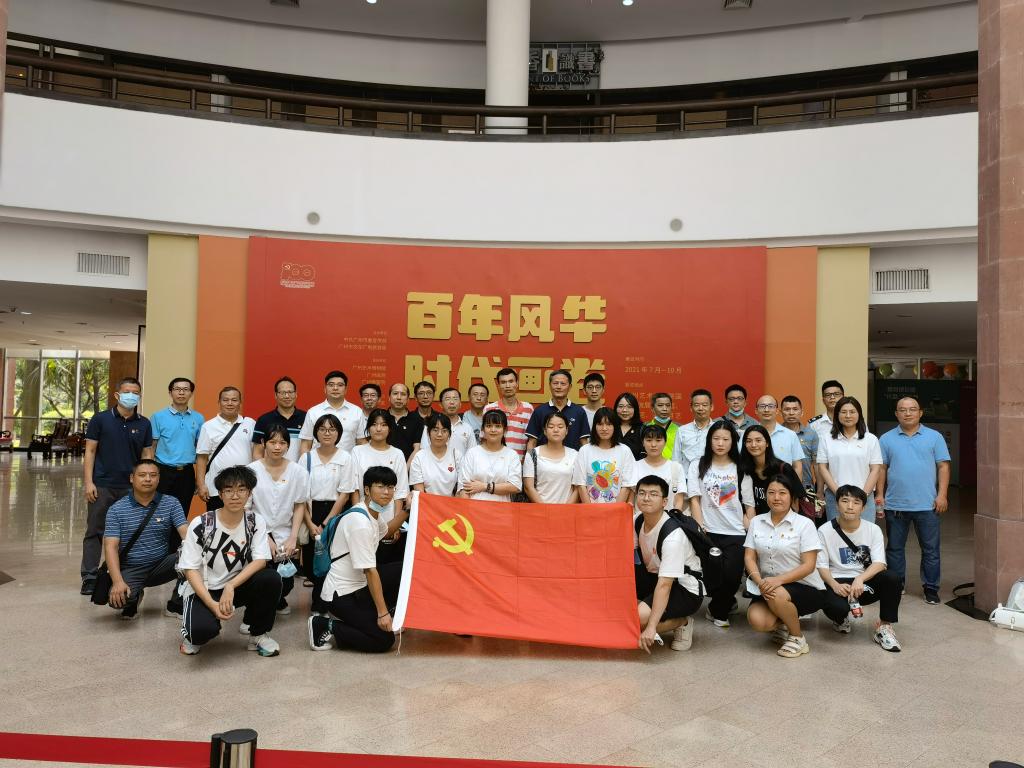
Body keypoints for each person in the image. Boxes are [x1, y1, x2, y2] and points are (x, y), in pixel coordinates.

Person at [178, 465, 282, 657]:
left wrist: (231, 586)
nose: (235, 496)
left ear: (249, 493)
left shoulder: (255, 521)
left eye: (241, 490)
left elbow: (260, 560)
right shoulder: (202, 524)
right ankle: (193, 633)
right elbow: (189, 569)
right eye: (228, 490)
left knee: (271, 579)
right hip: (205, 588)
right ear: (220, 494)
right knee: (200, 632)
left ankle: (258, 634)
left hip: (236, 586)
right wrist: (212, 604)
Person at [308, 466, 404, 653]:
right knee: (384, 640)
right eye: (381, 486)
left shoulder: (370, 512)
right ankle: (324, 625)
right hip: (342, 594)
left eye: (391, 487)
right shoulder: (360, 523)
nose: (387, 492)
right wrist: (382, 613)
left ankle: (362, 623)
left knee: (404, 570)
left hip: (359, 587)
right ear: (367, 489)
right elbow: (370, 571)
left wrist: (407, 510)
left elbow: (386, 532)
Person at [81, 376, 154, 595]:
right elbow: (90, 451)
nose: (131, 396)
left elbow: (147, 455)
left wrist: (147, 483)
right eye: (127, 392)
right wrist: (88, 482)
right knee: (95, 530)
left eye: (135, 393)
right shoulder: (100, 419)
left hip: (131, 488)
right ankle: (90, 576)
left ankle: (123, 574)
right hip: (102, 485)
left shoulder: (144, 423)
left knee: (130, 531)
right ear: (117, 395)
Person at [876, 396, 951, 605]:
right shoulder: (886, 439)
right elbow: (881, 468)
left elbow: (943, 466)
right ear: (896, 414)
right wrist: (879, 494)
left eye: (912, 409)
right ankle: (896, 584)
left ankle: (931, 588)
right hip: (895, 504)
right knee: (895, 549)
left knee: (931, 550)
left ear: (920, 413)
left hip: (928, 505)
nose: (907, 413)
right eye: (902, 409)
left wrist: (942, 495)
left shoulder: (934, 437)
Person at [744, 473, 826, 658]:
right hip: (768, 586)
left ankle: (797, 638)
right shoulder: (756, 522)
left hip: (806, 587)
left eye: (782, 493)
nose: (776, 497)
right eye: (771, 492)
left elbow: (809, 565)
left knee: (777, 593)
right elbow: (749, 557)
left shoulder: (804, 524)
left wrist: (777, 581)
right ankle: (785, 624)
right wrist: (760, 582)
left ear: (791, 496)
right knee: (758, 620)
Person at [818, 485, 903, 651]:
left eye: (856, 502)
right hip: (837, 581)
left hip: (863, 582)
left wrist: (860, 578)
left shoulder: (873, 529)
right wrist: (834, 585)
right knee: (837, 608)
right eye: (845, 501)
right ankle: (840, 619)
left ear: (863, 508)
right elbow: (821, 566)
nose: (850, 506)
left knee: (892, 578)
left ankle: (884, 627)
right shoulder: (824, 530)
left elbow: (880, 563)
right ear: (836, 504)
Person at [687, 420, 754, 628]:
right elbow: (695, 499)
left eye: (726, 439)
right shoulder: (698, 464)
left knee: (732, 577)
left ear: (733, 442)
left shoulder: (741, 468)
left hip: (735, 531)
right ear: (709, 440)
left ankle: (719, 609)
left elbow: (749, 505)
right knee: (713, 577)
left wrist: (750, 530)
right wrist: (700, 527)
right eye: (716, 438)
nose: (720, 443)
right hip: (708, 530)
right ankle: (722, 607)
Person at [101, 459, 188, 619]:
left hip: (162, 565)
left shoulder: (171, 503)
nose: (148, 479)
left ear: (158, 479)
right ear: (132, 478)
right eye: (142, 475)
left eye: (153, 475)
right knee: (119, 600)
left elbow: (186, 535)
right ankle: (134, 597)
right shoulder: (116, 509)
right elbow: (110, 547)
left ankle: (176, 604)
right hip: (131, 568)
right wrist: (118, 582)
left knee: (193, 557)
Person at [635, 475, 703, 653]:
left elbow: (665, 584)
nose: (646, 498)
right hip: (655, 576)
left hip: (685, 588)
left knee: (638, 619)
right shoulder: (638, 520)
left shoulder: (673, 536)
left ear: (664, 502)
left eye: (653, 494)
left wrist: (651, 627)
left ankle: (682, 622)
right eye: (642, 493)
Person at [247, 424, 309, 617]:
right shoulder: (251, 471)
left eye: (282, 443)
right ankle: (254, 614)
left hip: (285, 532)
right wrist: (264, 537)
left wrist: (293, 537)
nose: (277, 447)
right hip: (257, 531)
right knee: (260, 576)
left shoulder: (298, 471)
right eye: (272, 442)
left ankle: (277, 600)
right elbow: (246, 509)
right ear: (263, 443)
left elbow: (299, 505)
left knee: (287, 579)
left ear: (288, 446)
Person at [298, 413, 356, 615]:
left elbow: (345, 494)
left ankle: (321, 605)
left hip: (335, 513)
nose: (327, 433)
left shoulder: (345, 458)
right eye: (322, 429)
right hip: (310, 511)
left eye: (332, 429)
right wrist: (310, 523)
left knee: (331, 560)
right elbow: (300, 495)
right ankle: (321, 599)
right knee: (311, 562)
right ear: (316, 433)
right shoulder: (306, 458)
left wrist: (325, 523)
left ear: (339, 433)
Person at [350, 409, 410, 562]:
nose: (378, 429)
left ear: (389, 428)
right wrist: (357, 516)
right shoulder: (357, 451)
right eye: (374, 424)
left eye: (383, 425)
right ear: (368, 427)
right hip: (365, 516)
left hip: (389, 517)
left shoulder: (397, 454)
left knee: (386, 563)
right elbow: (355, 488)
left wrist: (396, 524)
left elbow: (400, 492)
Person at [816, 396, 882, 522]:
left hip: (865, 497)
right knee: (836, 532)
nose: (848, 416)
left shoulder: (870, 439)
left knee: (865, 533)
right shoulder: (826, 439)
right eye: (843, 412)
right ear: (837, 415)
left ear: (859, 414)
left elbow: (875, 469)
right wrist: (839, 494)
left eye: (852, 412)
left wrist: (863, 496)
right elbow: (822, 468)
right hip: (835, 497)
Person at [150, 376, 204, 528]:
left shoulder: (198, 418)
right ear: (170, 393)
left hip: (186, 473)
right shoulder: (158, 417)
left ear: (191, 393)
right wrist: (151, 473)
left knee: (181, 514)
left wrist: (199, 479)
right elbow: (152, 447)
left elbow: (200, 449)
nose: (181, 393)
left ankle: (177, 544)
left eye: (185, 389)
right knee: (159, 514)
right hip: (163, 472)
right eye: (177, 389)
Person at [195, 386, 256, 512]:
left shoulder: (250, 423)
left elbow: (256, 453)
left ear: (240, 402)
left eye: (234, 400)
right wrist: (201, 485)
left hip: (244, 486)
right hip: (216, 488)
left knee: (244, 522)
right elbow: (201, 458)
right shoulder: (208, 426)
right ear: (219, 402)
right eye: (225, 400)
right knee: (216, 521)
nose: (230, 403)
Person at [573, 407, 637, 504]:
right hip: (589, 509)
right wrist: (590, 510)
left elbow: (627, 486)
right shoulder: (584, 451)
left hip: (617, 509)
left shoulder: (625, 451)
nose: (604, 428)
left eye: (609, 424)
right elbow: (581, 485)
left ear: (615, 426)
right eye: (600, 424)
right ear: (594, 426)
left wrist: (614, 510)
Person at [739, 424, 804, 516]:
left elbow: (795, 504)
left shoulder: (783, 468)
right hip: (755, 521)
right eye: (749, 441)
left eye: (758, 440)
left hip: (781, 521)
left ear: (767, 443)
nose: (753, 445)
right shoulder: (744, 470)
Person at [458, 409, 522, 502]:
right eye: (489, 426)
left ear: (505, 430)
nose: (493, 430)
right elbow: (464, 489)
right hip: (474, 508)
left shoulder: (512, 455)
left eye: (498, 426)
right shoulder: (472, 453)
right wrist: (468, 509)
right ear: (482, 429)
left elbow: (515, 486)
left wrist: (485, 486)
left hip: (502, 509)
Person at [298, 370, 363, 455]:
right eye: (331, 385)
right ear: (325, 389)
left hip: (348, 462)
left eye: (340, 385)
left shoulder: (357, 412)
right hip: (318, 462)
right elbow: (306, 444)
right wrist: (305, 462)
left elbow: (362, 443)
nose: (335, 388)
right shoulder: (313, 412)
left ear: (346, 389)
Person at [524, 369, 590, 451]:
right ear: (550, 385)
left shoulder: (579, 411)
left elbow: (584, 442)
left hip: (573, 458)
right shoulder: (539, 411)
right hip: (544, 458)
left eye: (563, 384)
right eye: (555, 383)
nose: (559, 387)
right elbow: (532, 442)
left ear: (570, 387)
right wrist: (530, 458)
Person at [523, 411, 579, 504]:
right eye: (551, 427)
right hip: (540, 509)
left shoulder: (575, 455)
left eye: (560, 427)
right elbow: (528, 487)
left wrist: (566, 509)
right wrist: (546, 509)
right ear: (545, 431)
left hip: (567, 510)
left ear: (566, 430)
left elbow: (577, 489)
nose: (556, 430)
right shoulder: (532, 454)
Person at [253, 376, 306, 462]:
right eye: (282, 392)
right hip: (271, 469)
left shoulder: (306, 418)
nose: (287, 396)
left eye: (290, 392)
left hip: (299, 469)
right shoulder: (264, 420)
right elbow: (257, 453)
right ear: (275, 395)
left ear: (296, 394)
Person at [633, 424, 686, 512]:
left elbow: (679, 500)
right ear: (643, 443)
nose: (653, 445)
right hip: (640, 518)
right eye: (649, 440)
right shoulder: (634, 466)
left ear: (665, 442)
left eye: (658, 440)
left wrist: (675, 517)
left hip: (669, 518)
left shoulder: (676, 467)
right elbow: (631, 498)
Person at [484, 367, 534, 458]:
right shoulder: (489, 409)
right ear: (498, 385)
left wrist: (528, 463)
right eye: (503, 382)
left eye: (511, 381)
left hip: (520, 463)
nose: (507, 386)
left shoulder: (528, 409)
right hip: (495, 462)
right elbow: (484, 439)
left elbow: (531, 441)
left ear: (517, 383)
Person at [410, 412, 463, 496]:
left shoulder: (457, 455)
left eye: (444, 431)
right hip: (426, 502)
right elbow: (420, 493)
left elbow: (461, 488)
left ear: (449, 434)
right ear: (428, 433)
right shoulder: (419, 457)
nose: (439, 434)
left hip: (451, 502)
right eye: (435, 430)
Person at [753, 394, 804, 481]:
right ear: (756, 411)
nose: (766, 410)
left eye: (771, 406)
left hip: (784, 486)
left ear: (777, 411)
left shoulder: (790, 435)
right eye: (762, 406)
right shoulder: (748, 435)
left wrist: (796, 488)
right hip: (755, 486)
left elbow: (797, 466)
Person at [416, 387, 474, 459]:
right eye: (447, 399)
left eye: (455, 399)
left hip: (461, 465)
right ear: (440, 404)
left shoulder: (467, 428)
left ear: (460, 404)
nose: (452, 402)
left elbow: (472, 455)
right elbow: (424, 451)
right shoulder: (430, 425)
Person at [780, 394, 819, 493]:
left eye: (795, 409)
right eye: (787, 409)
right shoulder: (776, 433)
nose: (791, 413)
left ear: (801, 412)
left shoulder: (811, 434)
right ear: (781, 412)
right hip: (780, 486)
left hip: (806, 487)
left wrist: (819, 490)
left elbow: (816, 464)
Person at [672, 388, 714, 476]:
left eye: (704, 405)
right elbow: (676, 459)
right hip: (687, 477)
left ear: (711, 407)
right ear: (691, 408)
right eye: (697, 405)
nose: (701, 408)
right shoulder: (682, 430)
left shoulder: (718, 430)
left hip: (712, 477)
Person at [384, 382, 422, 459]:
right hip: (382, 464)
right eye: (395, 393)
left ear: (408, 399)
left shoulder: (417, 419)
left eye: (403, 394)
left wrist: (406, 466)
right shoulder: (382, 417)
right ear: (389, 397)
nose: (399, 397)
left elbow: (417, 448)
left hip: (408, 464)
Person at [645, 393, 679, 460]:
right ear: (652, 408)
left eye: (668, 405)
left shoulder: (680, 428)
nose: (664, 409)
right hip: (651, 465)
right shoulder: (644, 428)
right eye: (660, 405)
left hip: (673, 465)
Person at [613, 392, 645, 460]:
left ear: (635, 409)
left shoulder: (642, 429)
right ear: (615, 408)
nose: (624, 410)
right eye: (621, 406)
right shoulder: (610, 427)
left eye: (629, 407)